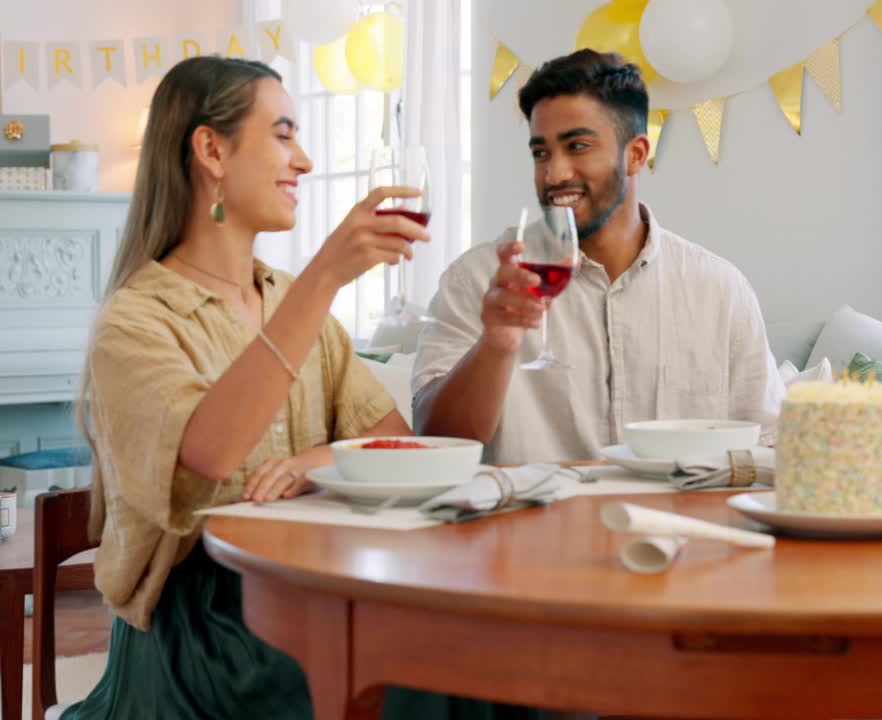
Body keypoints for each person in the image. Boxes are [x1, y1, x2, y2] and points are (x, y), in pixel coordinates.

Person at [66, 56, 539, 720]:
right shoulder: (136, 321)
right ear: (211, 150)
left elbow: (400, 443)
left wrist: (317, 462)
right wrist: (325, 276)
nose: (306, 160)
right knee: (426, 682)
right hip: (208, 624)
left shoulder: (289, 302)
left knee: (499, 660)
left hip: (320, 582)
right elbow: (212, 451)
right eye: (283, 133)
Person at [413, 50, 784, 465]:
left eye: (577, 146)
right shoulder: (478, 280)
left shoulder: (721, 290)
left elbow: (767, 448)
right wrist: (496, 346)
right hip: (532, 527)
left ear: (636, 154)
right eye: (541, 153)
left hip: (678, 527)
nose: (554, 174)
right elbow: (434, 441)